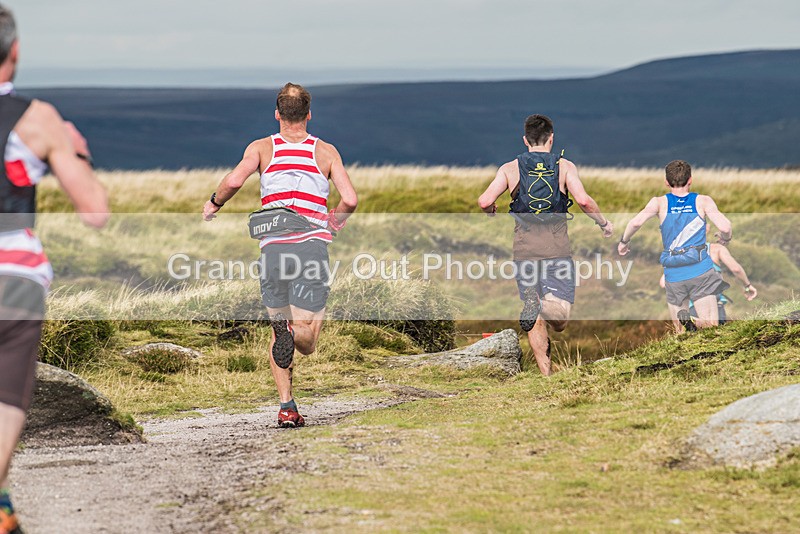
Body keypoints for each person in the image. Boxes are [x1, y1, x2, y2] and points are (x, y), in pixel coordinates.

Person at [0, 5, 109, 532]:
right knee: (5, 395)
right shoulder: (36, 118)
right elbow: (94, 211)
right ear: (14, 53)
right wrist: (78, 153)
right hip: (12, 273)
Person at [203, 83, 357, 428]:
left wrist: (214, 203)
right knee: (308, 339)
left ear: (277, 114)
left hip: (272, 250)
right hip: (310, 248)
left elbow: (234, 180)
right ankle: (292, 330)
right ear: (308, 114)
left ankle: (286, 407)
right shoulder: (325, 152)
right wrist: (332, 226)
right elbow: (350, 199)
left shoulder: (261, 149)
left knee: (278, 333)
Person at [478, 114, 613, 376]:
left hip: (524, 252)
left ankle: (546, 376)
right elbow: (584, 201)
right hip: (556, 251)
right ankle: (538, 304)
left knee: (534, 314)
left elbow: (484, 201)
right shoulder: (564, 166)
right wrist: (604, 223)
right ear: (552, 138)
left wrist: (491, 209)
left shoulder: (510, 168)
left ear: (525, 140)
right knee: (559, 318)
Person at [619, 160, 732, 332]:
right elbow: (725, 227)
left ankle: (689, 322)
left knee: (680, 333)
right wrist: (725, 238)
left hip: (674, 273)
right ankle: (695, 320)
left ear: (666, 181)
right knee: (711, 328)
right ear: (690, 180)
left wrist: (624, 242)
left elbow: (635, 223)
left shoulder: (659, 203)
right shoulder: (702, 201)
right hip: (701, 270)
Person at [659, 242, 757, 327]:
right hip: (713, 302)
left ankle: (693, 324)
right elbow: (736, 269)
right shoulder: (716, 249)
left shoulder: (678, 254)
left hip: (691, 306)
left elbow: (663, 283)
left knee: (694, 341)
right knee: (715, 337)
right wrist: (747, 286)